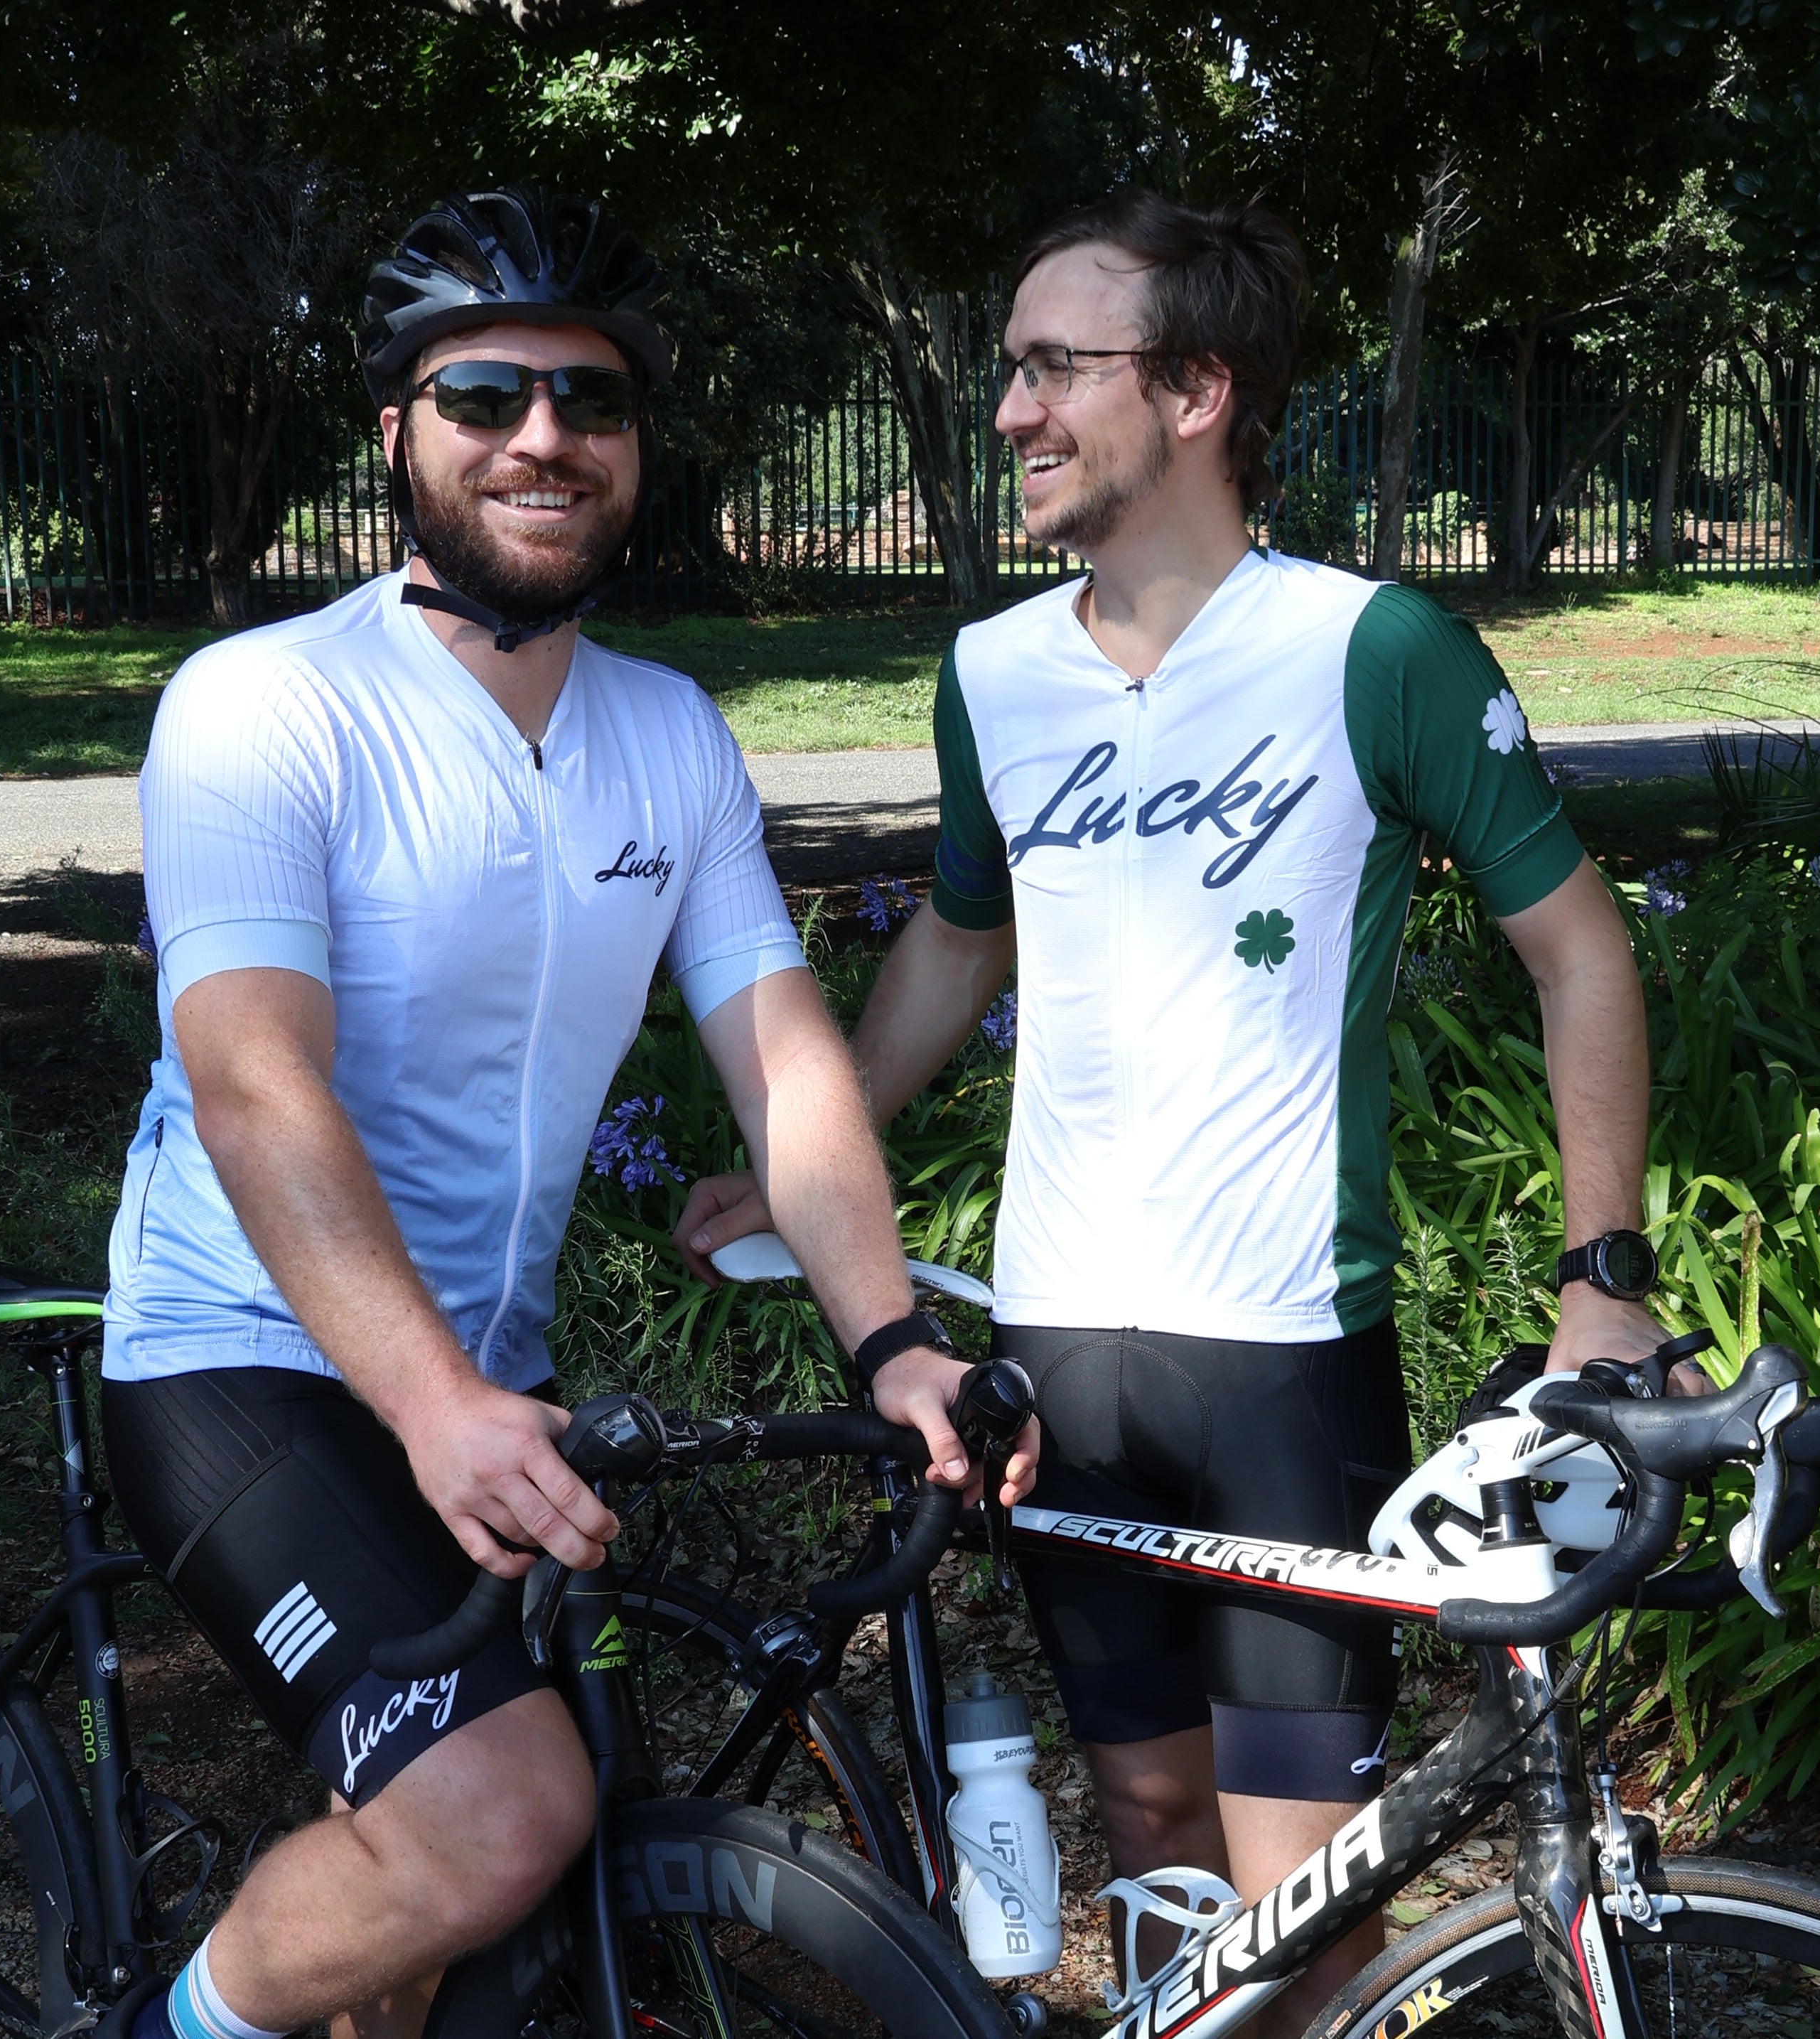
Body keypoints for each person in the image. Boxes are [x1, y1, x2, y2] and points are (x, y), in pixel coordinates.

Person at [676, 188, 1668, 2032]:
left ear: (1200, 389)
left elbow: (1584, 954)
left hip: (1283, 1350)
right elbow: (963, 944)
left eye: (1057, 367)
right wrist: (808, 1160)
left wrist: (1601, 1271)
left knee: (1305, 1889)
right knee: (1145, 1821)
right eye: (1013, 370)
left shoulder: (1374, 649)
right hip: (1057, 1353)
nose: (1013, 412)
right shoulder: (992, 675)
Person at [96, 185, 1035, 2039]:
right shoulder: (266, 708)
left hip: (487, 1378)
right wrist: (432, 1404)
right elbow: (252, 1082)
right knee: (505, 1816)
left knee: (481, 1863)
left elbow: (785, 1059)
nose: (544, 436)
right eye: (487, 395)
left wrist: (895, 1344)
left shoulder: (669, 734)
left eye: (590, 402)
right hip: (245, 1356)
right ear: (399, 434)